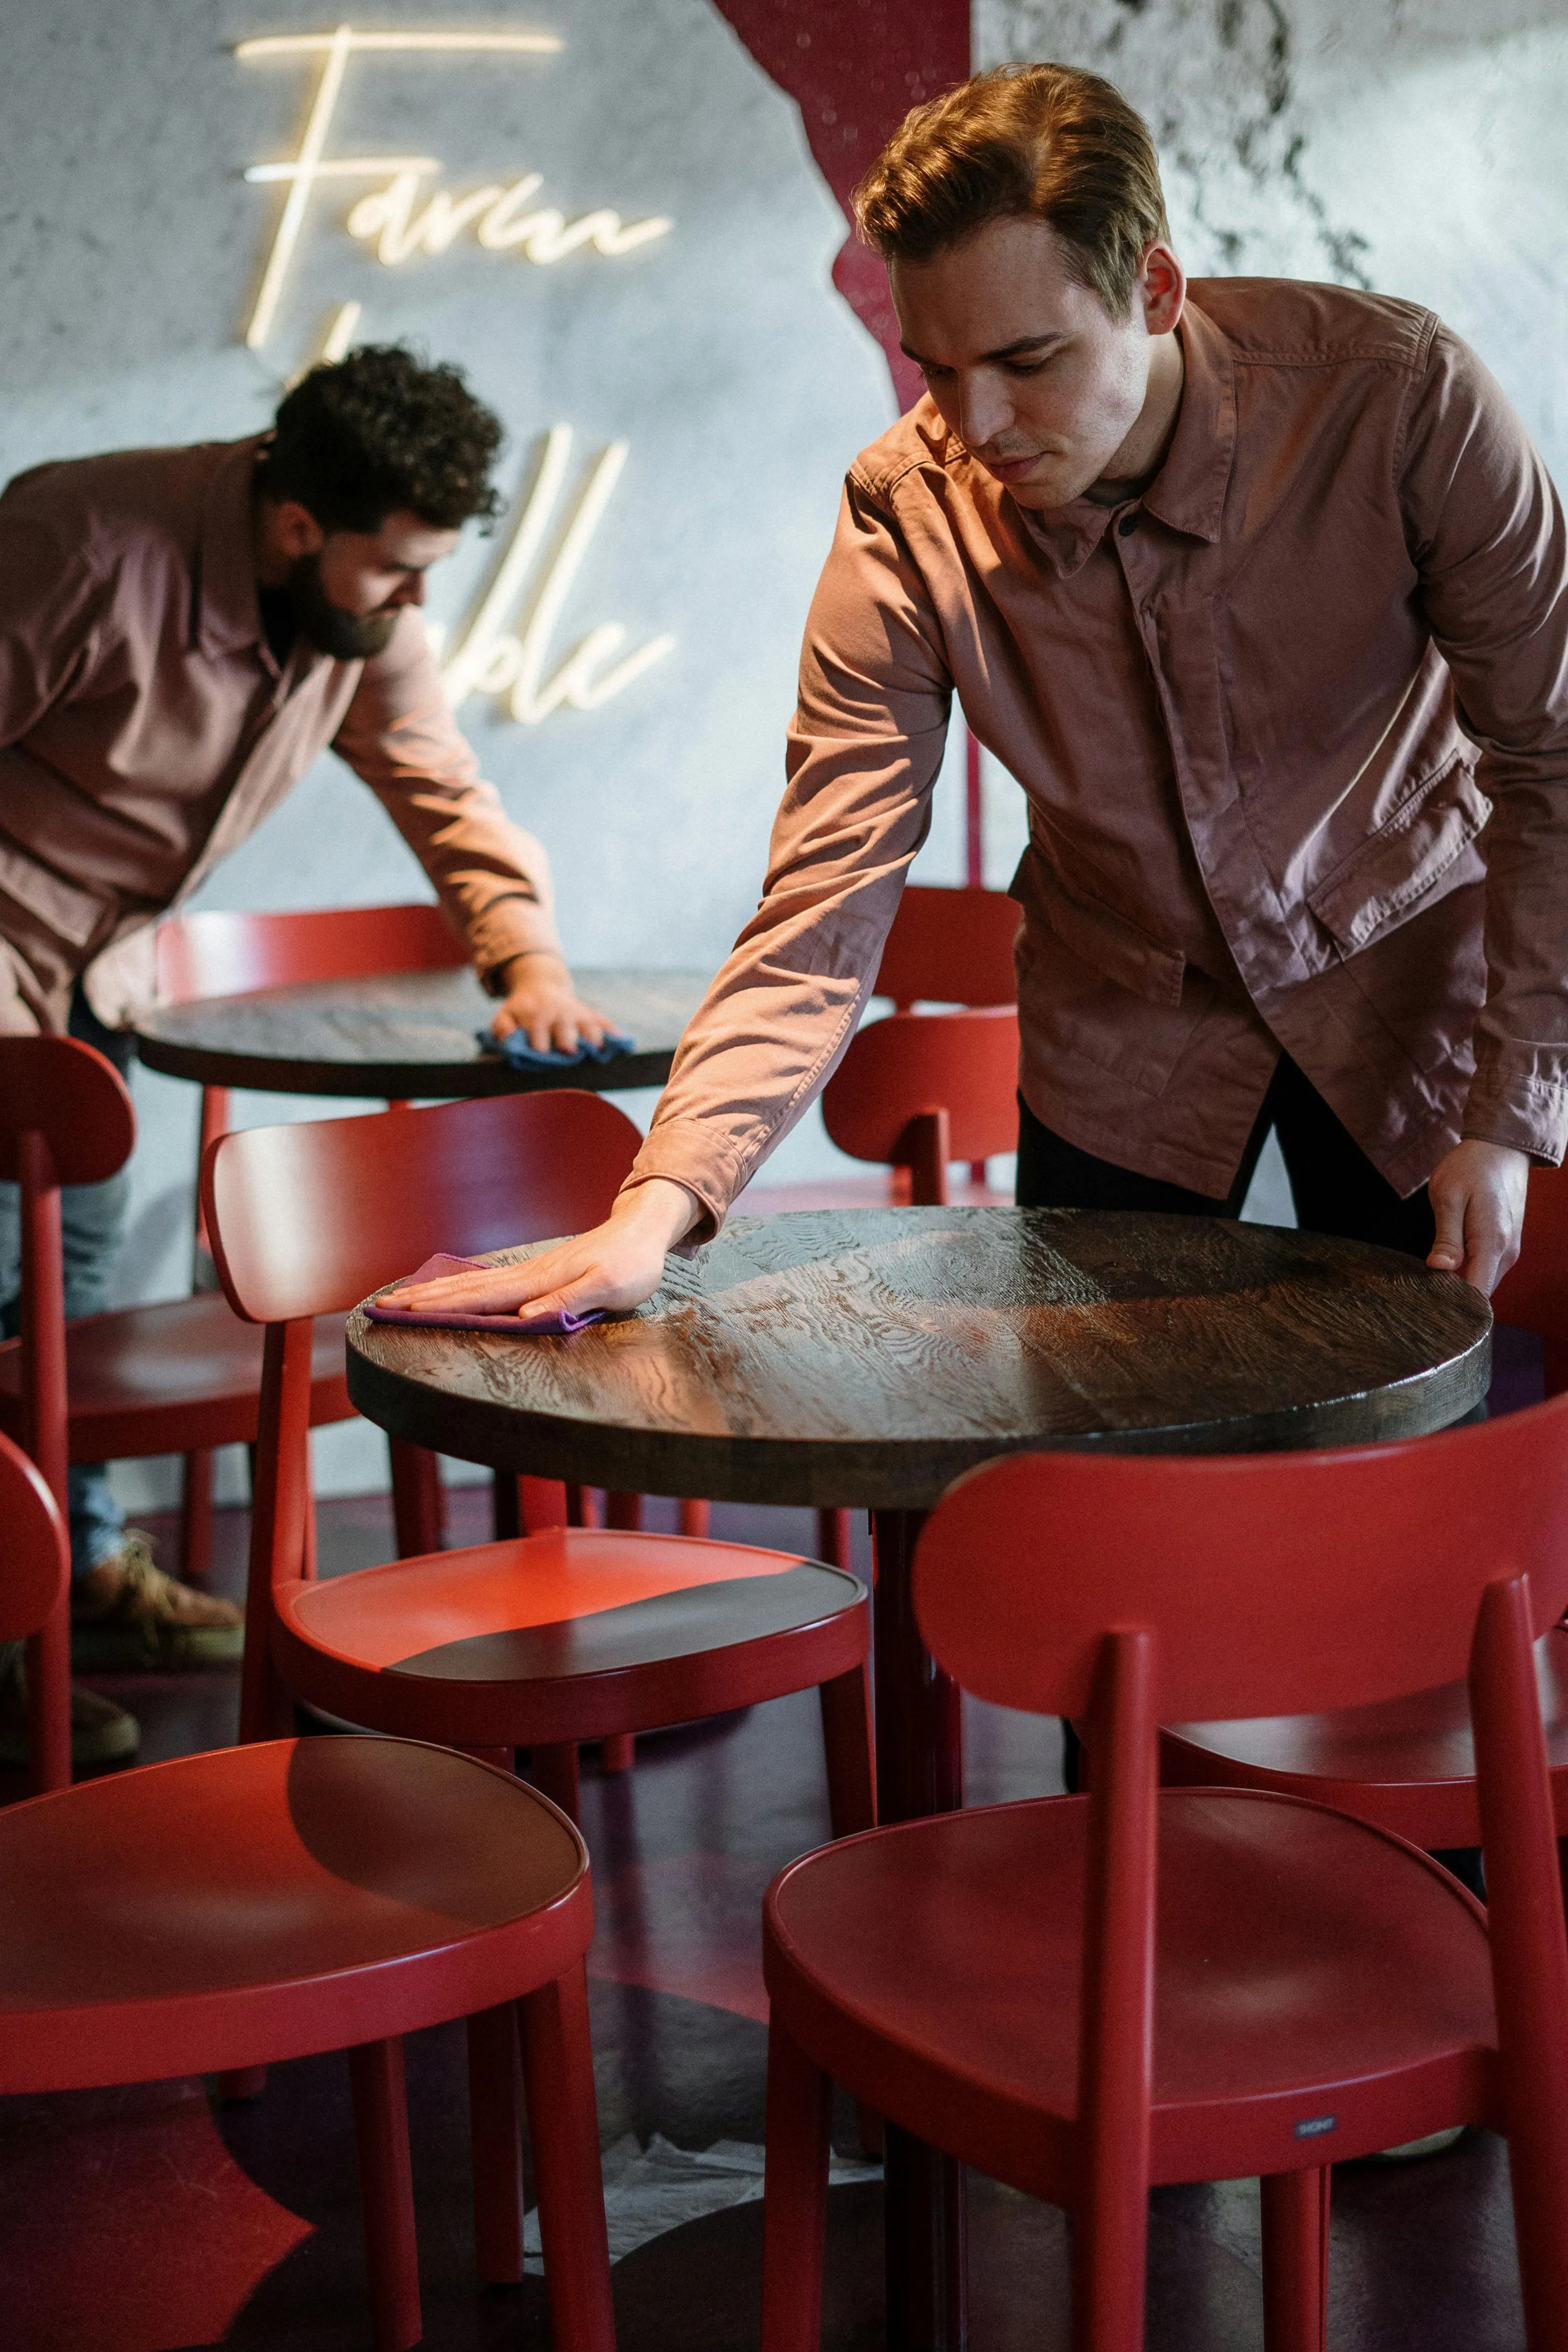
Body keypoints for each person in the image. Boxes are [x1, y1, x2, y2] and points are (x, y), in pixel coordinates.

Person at [399, 66, 1567, 1344]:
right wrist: (658, 1208)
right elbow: (822, 902)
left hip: (1420, 1010)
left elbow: (1552, 766)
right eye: (936, 367)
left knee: (1433, 1455)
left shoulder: (1400, 400)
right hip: (1123, 1041)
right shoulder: (904, 508)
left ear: (1155, 292)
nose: (975, 425)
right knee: (1104, 1460)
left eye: (1027, 360)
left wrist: (1511, 1114)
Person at [0, 343, 607, 1767]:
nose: (413, 607)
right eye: (395, 572)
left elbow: (439, 781)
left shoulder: (357, 607)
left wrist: (529, 958)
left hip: (97, 978)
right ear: (293, 529)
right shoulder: (81, 543)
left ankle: (73, 1579)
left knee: (62, 1304)